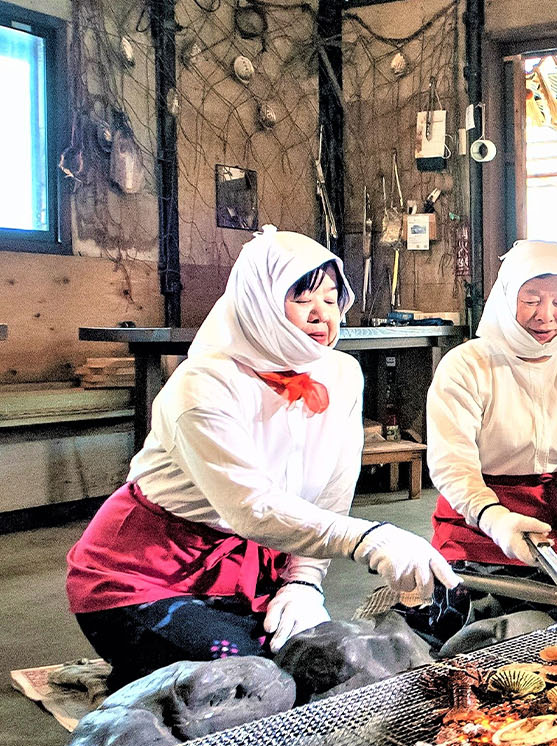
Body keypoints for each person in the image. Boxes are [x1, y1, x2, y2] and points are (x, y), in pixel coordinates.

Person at [66, 226, 460, 689]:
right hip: (148, 569)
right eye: (302, 299)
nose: (322, 315)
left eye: (333, 300)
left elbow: (334, 485)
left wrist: (304, 582)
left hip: (254, 567)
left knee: (331, 661)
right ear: (260, 301)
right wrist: (369, 539)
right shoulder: (204, 384)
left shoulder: (340, 373)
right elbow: (249, 507)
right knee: (251, 676)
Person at [423, 240, 557, 637]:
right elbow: (452, 463)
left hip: (553, 518)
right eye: (531, 299)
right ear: (507, 296)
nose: (546, 316)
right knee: (477, 635)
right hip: (477, 523)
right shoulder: (467, 365)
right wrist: (494, 520)